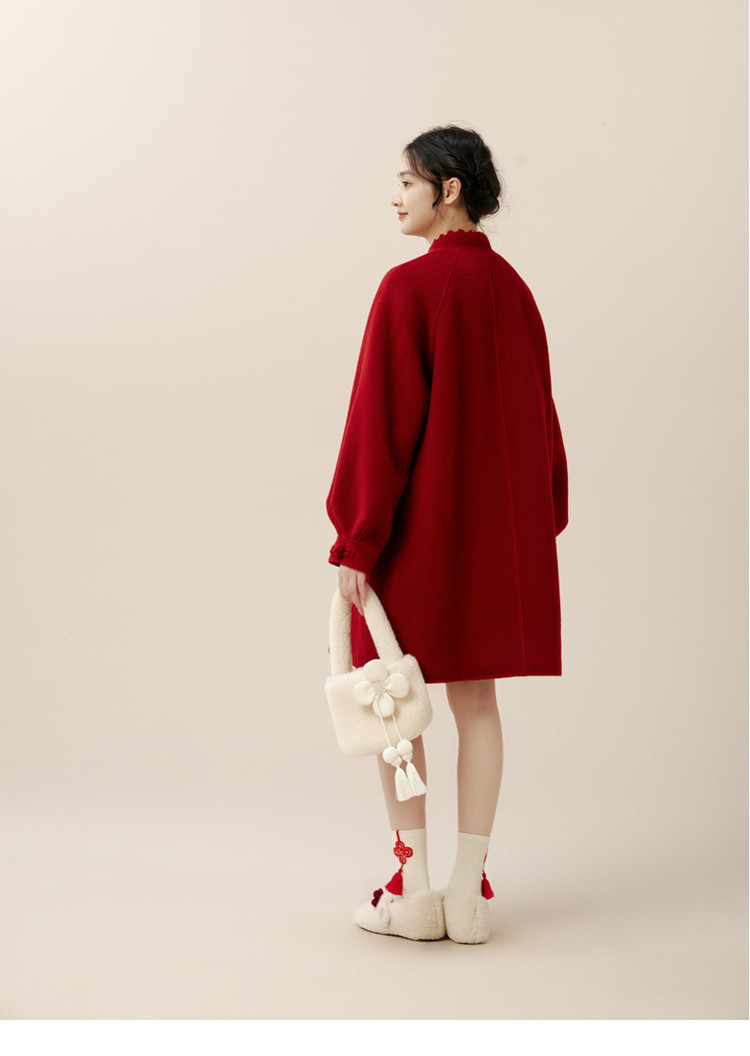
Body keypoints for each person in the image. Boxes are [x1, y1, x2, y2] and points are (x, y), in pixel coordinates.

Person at [326, 125, 568, 944]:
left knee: (394, 702)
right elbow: (542, 423)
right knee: (478, 702)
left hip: (417, 542)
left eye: (407, 181)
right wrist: (535, 524)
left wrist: (356, 540)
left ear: (449, 188)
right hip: (493, 542)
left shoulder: (409, 288)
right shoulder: (515, 292)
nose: (395, 196)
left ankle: (413, 887)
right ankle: (468, 895)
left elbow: (379, 427)